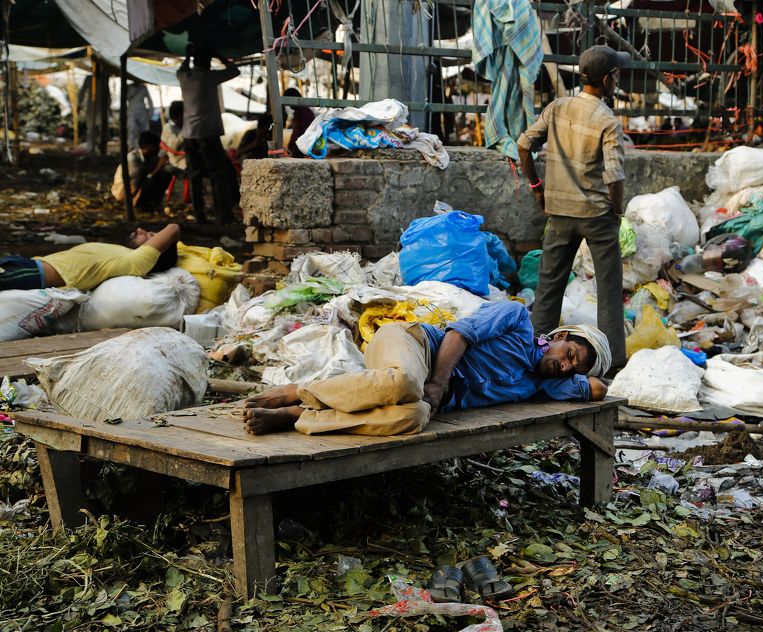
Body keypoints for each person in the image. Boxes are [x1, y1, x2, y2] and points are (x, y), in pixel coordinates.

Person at [242, 300, 611, 436]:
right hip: (413, 344)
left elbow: (599, 389)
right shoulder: (517, 320)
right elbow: (458, 334)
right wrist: (438, 383)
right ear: (560, 335)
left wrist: (582, 373)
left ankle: (299, 417)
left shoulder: (538, 384)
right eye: (570, 354)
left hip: (425, 398)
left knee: (414, 417)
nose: (565, 366)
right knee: (405, 383)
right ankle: (299, 392)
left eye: (572, 369)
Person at [516, 45, 630, 372]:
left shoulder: (557, 108)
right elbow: (614, 176)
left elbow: (524, 145)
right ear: (606, 80)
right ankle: (612, 362)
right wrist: (617, 211)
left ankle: (535, 352)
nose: (616, 81)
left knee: (549, 287)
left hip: (559, 214)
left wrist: (537, 188)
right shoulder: (607, 120)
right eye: (615, 76)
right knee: (609, 290)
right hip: (597, 215)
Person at [0, 224, 181, 292]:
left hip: (34, 274)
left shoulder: (135, 262)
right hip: (26, 264)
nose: (140, 230)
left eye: (150, 235)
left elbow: (173, 228)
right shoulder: (120, 251)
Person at [177, 49, 240, 224]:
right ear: (208, 63)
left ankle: (200, 216)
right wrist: (221, 57)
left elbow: (181, 68)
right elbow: (235, 71)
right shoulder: (210, 76)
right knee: (218, 176)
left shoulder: (185, 76)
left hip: (189, 135)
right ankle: (223, 216)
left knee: (195, 177)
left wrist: (188, 55)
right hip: (208, 134)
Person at [111, 131, 171, 212]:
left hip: (134, 188)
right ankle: (138, 204)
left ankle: (150, 204)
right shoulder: (132, 158)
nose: (157, 148)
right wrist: (158, 167)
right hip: (123, 191)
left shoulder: (149, 157)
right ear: (145, 146)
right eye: (154, 146)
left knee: (165, 174)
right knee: (150, 178)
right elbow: (142, 178)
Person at [283, 88, 315, 158]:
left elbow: (299, 134)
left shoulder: (302, 112)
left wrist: (291, 150)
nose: (289, 105)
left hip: (302, 148)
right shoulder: (304, 110)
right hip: (303, 147)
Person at [126, 82, 154, 150]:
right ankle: (131, 147)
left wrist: (150, 113)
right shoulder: (129, 87)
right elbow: (125, 98)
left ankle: (144, 148)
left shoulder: (143, 88)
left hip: (142, 113)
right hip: (131, 112)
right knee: (132, 129)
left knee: (144, 131)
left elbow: (149, 100)